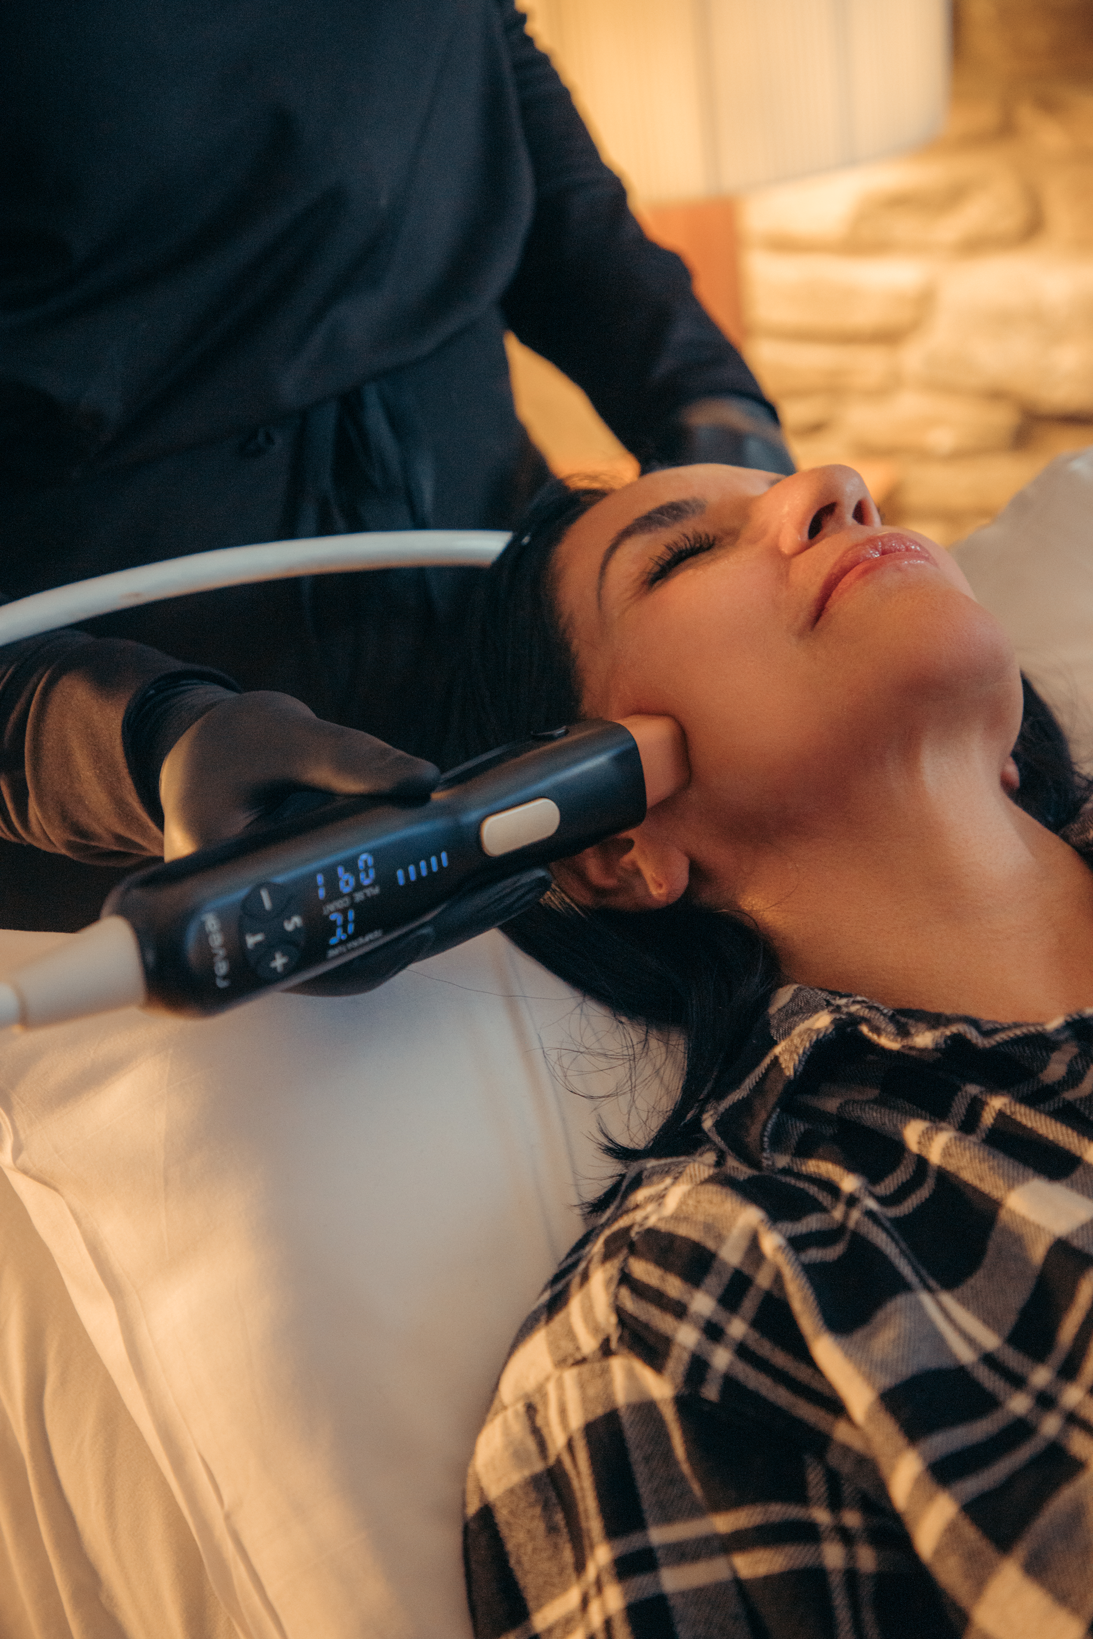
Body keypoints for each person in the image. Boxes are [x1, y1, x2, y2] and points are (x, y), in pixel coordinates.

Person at [446, 463, 1093, 1637]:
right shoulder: (699, 1309)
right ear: (612, 836)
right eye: (683, 553)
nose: (837, 486)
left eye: (847, 493)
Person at [0, 0, 791, 930]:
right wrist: (136, 744)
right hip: (135, 810)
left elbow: (480, 69)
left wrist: (706, 399)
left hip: (510, 649)